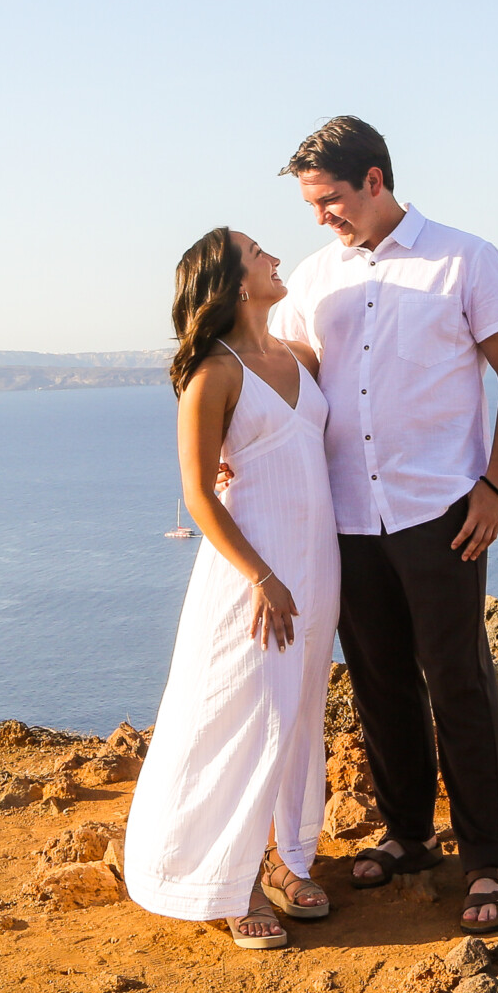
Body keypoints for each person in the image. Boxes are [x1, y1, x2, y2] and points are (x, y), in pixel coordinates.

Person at [271, 117, 498, 933]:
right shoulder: (315, 280)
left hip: (442, 511)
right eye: (311, 204)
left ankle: (488, 861)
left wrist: (495, 487)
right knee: (380, 680)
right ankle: (410, 834)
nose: (321, 217)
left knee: (458, 681)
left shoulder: (465, 258)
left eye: (330, 200)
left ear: (376, 180)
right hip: (346, 516)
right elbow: (286, 391)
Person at [122, 227, 341, 951]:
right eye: (258, 251)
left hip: (318, 564)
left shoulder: (301, 358)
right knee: (236, 714)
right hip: (252, 575)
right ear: (236, 282)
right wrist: (263, 575)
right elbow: (198, 495)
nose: (275, 255)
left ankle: (285, 858)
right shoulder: (213, 373)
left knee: (298, 710)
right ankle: (225, 877)